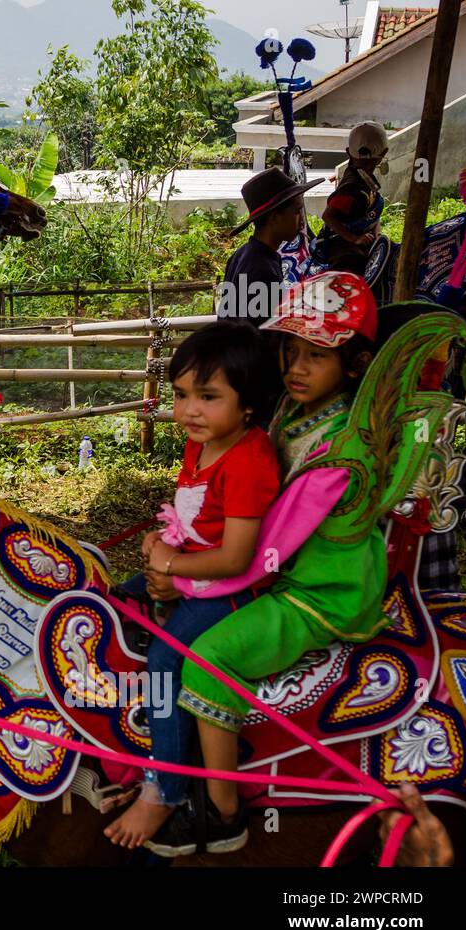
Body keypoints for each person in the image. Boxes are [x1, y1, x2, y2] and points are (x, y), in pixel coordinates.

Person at [146, 271, 385, 857]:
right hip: (286, 573)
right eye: (291, 351)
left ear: (354, 365)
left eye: (317, 356)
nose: (297, 368)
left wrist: (181, 574)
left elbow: (260, 551)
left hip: (318, 591)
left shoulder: (340, 449)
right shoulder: (296, 414)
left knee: (208, 665)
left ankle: (225, 814)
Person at [104, 322, 281, 849]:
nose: (189, 411)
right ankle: (126, 736)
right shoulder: (201, 444)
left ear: (249, 403)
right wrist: (162, 545)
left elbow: (235, 556)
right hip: (189, 568)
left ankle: (166, 788)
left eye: (208, 397)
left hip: (229, 588)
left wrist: (173, 570)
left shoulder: (248, 460)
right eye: (181, 395)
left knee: (164, 659)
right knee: (114, 605)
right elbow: (192, 516)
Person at [217, 167, 322, 327]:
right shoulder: (263, 270)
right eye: (296, 211)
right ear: (274, 217)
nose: (302, 220)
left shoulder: (242, 255)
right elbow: (262, 333)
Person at [314, 121, 388, 275]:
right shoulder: (351, 188)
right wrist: (354, 239)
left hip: (360, 237)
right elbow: (328, 216)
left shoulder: (364, 179)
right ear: (383, 154)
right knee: (353, 267)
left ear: (348, 152)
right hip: (339, 243)